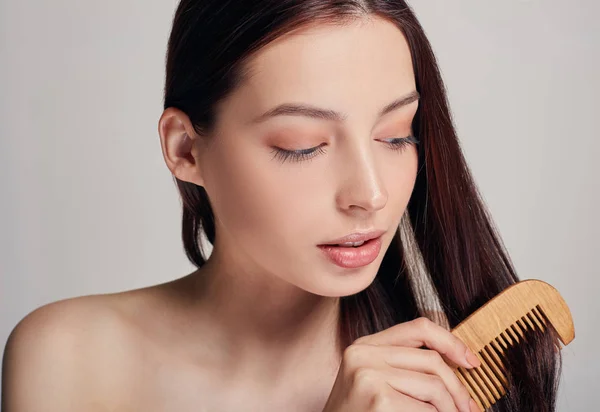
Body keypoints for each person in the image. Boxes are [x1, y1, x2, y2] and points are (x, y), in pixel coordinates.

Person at [2, 1, 562, 411]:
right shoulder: (69, 358)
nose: (371, 195)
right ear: (185, 148)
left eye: (397, 136)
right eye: (303, 146)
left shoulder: (450, 369)